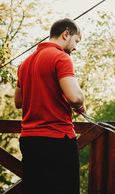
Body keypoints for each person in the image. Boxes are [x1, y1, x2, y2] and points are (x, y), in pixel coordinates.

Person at [14, 18, 85, 194]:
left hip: (29, 140)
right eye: (76, 41)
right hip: (58, 139)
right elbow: (75, 98)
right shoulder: (61, 57)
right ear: (66, 34)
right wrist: (81, 102)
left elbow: (18, 102)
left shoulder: (25, 63)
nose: (75, 47)